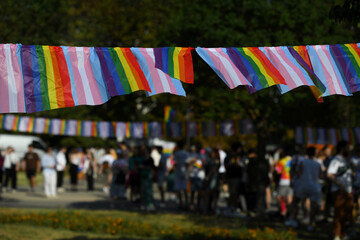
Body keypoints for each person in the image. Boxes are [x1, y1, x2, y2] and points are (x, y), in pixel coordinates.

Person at [286, 147, 322, 231]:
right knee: (313, 206)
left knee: (295, 202)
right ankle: (310, 223)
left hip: (303, 185)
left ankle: (293, 219)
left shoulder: (303, 162)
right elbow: (321, 175)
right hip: (315, 186)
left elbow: (299, 174)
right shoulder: (317, 164)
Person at [327, 141, 354, 240]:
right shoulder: (336, 160)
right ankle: (337, 235)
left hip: (347, 190)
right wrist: (340, 184)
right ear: (342, 148)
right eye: (347, 147)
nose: (349, 149)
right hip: (339, 190)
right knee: (339, 213)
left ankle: (343, 233)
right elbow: (329, 174)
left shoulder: (346, 160)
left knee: (346, 214)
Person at [224, 142, 243, 215]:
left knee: (233, 193)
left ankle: (231, 207)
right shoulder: (231, 157)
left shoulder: (230, 156)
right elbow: (235, 166)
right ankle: (231, 207)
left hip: (233, 177)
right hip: (233, 177)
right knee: (233, 193)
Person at [275, 149, 293, 218]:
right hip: (291, 181)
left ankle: (283, 212)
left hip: (283, 181)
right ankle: (290, 213)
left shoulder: (281, 161)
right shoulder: (293, 161)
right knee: (289, 197)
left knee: (280, 197)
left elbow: (278, 172)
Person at [173, 140, 189, 210]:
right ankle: (186, 203)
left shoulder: (177, 153)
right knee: (185, 189)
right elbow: (187, 163)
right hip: (184, 172)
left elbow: (175, 163)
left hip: (178, 172)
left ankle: (181, 204)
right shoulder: (186, 153)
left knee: (179, 189)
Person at [140, 146, 155, 211]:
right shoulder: (143, 158)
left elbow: (152, 167)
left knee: (149, 190)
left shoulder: (151, 159)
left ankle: (150, 203)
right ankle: (144, 203)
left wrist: (144, 167)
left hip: (149, 175)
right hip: (143, 175)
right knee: (144, 190)